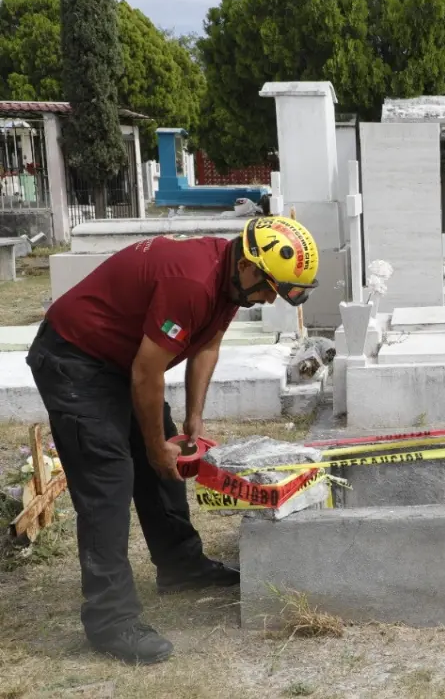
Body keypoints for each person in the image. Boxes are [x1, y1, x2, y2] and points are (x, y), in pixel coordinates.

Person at [25, 216, 320, 665]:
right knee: (109, 479)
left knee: (169, 453)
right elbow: (147, 372)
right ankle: (110, 620)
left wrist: (192, 419)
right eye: (267, 289)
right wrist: (151, 445)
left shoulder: (228, 279)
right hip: (75, 359)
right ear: (249, 266)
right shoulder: (193, 281)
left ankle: (180, 564)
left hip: (118, 361)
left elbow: (207, 345)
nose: (265, 300)